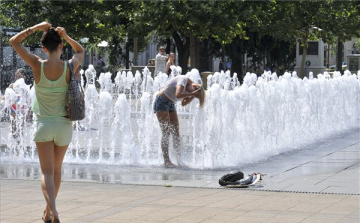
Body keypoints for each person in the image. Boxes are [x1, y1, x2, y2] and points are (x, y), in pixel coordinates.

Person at [9, 22, 84, 223]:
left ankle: (53, 210)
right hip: (64, 126)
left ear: (43, 48)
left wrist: (36, 27)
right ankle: (48, 212)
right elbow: (80, 50)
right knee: (57, 171)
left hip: (43, 125)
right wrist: (66, 35)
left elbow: (13, 41)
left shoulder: (37, 64)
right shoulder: (70, 66)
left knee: (47, 172)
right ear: (61, 46)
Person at [153, 75, 205, 167]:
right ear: (193, 85)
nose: (190, 93)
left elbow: (183, 103)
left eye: (194, 95)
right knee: (166, 132)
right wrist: (192, 94)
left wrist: (193, 95)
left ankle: (179, 161)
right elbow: (178, 94)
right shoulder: (183, 80)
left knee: (176, 133)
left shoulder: (190, 89)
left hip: (171, 104)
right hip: (161, 101)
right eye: (192, 91)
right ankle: (167, 161)